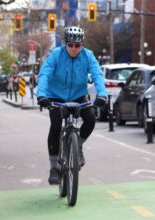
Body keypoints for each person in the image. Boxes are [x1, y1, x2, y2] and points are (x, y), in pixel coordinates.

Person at [36, 26, 107, 185]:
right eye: (71, 45)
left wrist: (102, 95)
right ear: (65, 43)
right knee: (55, 126)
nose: (74, 49)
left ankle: (79, 145)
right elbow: (45, 74)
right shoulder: (56, 55)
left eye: (77, 45)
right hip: (56, 97)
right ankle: (54, 167)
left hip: (78, 96)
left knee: (90, 119)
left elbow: (97, 75)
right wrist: (41, 95)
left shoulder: (88, 56)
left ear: (81, 45)